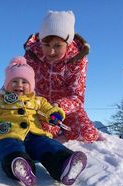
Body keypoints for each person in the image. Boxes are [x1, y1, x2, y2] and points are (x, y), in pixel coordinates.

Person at [0, 56, 87, 186]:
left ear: (31, 85)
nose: (19, 85)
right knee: (8, 147)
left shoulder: (38, 101)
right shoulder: (0, 100)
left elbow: (48, 109)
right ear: (7, 84)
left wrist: (54, 114)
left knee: (47, 145)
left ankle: (64, 165)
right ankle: (20, 166)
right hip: (7, 134)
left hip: (34, 136)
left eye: (24, 82)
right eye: (14, 81)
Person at [24, 10, 99, 143]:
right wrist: (6, 93)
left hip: (67, 108)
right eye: (46, 45)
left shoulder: (77, 59)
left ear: (68, 43)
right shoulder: (32, 56)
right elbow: (20, 78)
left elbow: (77, 96)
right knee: (37, 134)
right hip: (40, 107)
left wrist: (59, 107)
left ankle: (63, 136)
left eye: (58, 45)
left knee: (87, 135)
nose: (51, 51)